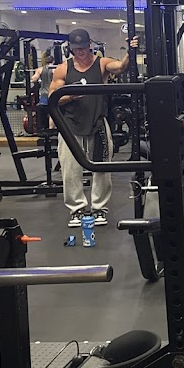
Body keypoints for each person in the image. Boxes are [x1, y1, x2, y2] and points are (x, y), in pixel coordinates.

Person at [49, 28, 138, 227]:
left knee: (102, 167)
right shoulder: (63, 69)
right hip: (70, 125)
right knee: (70, 170)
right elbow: (53, 98)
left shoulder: (102, 63)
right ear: (71, 48)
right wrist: (70, 96)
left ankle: (99, 209)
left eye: (83, 47)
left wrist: (130, 52)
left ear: (89, 45)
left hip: (97, 123)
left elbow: (121, 67)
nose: (80, 51)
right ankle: (77, 210)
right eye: (76, 48)